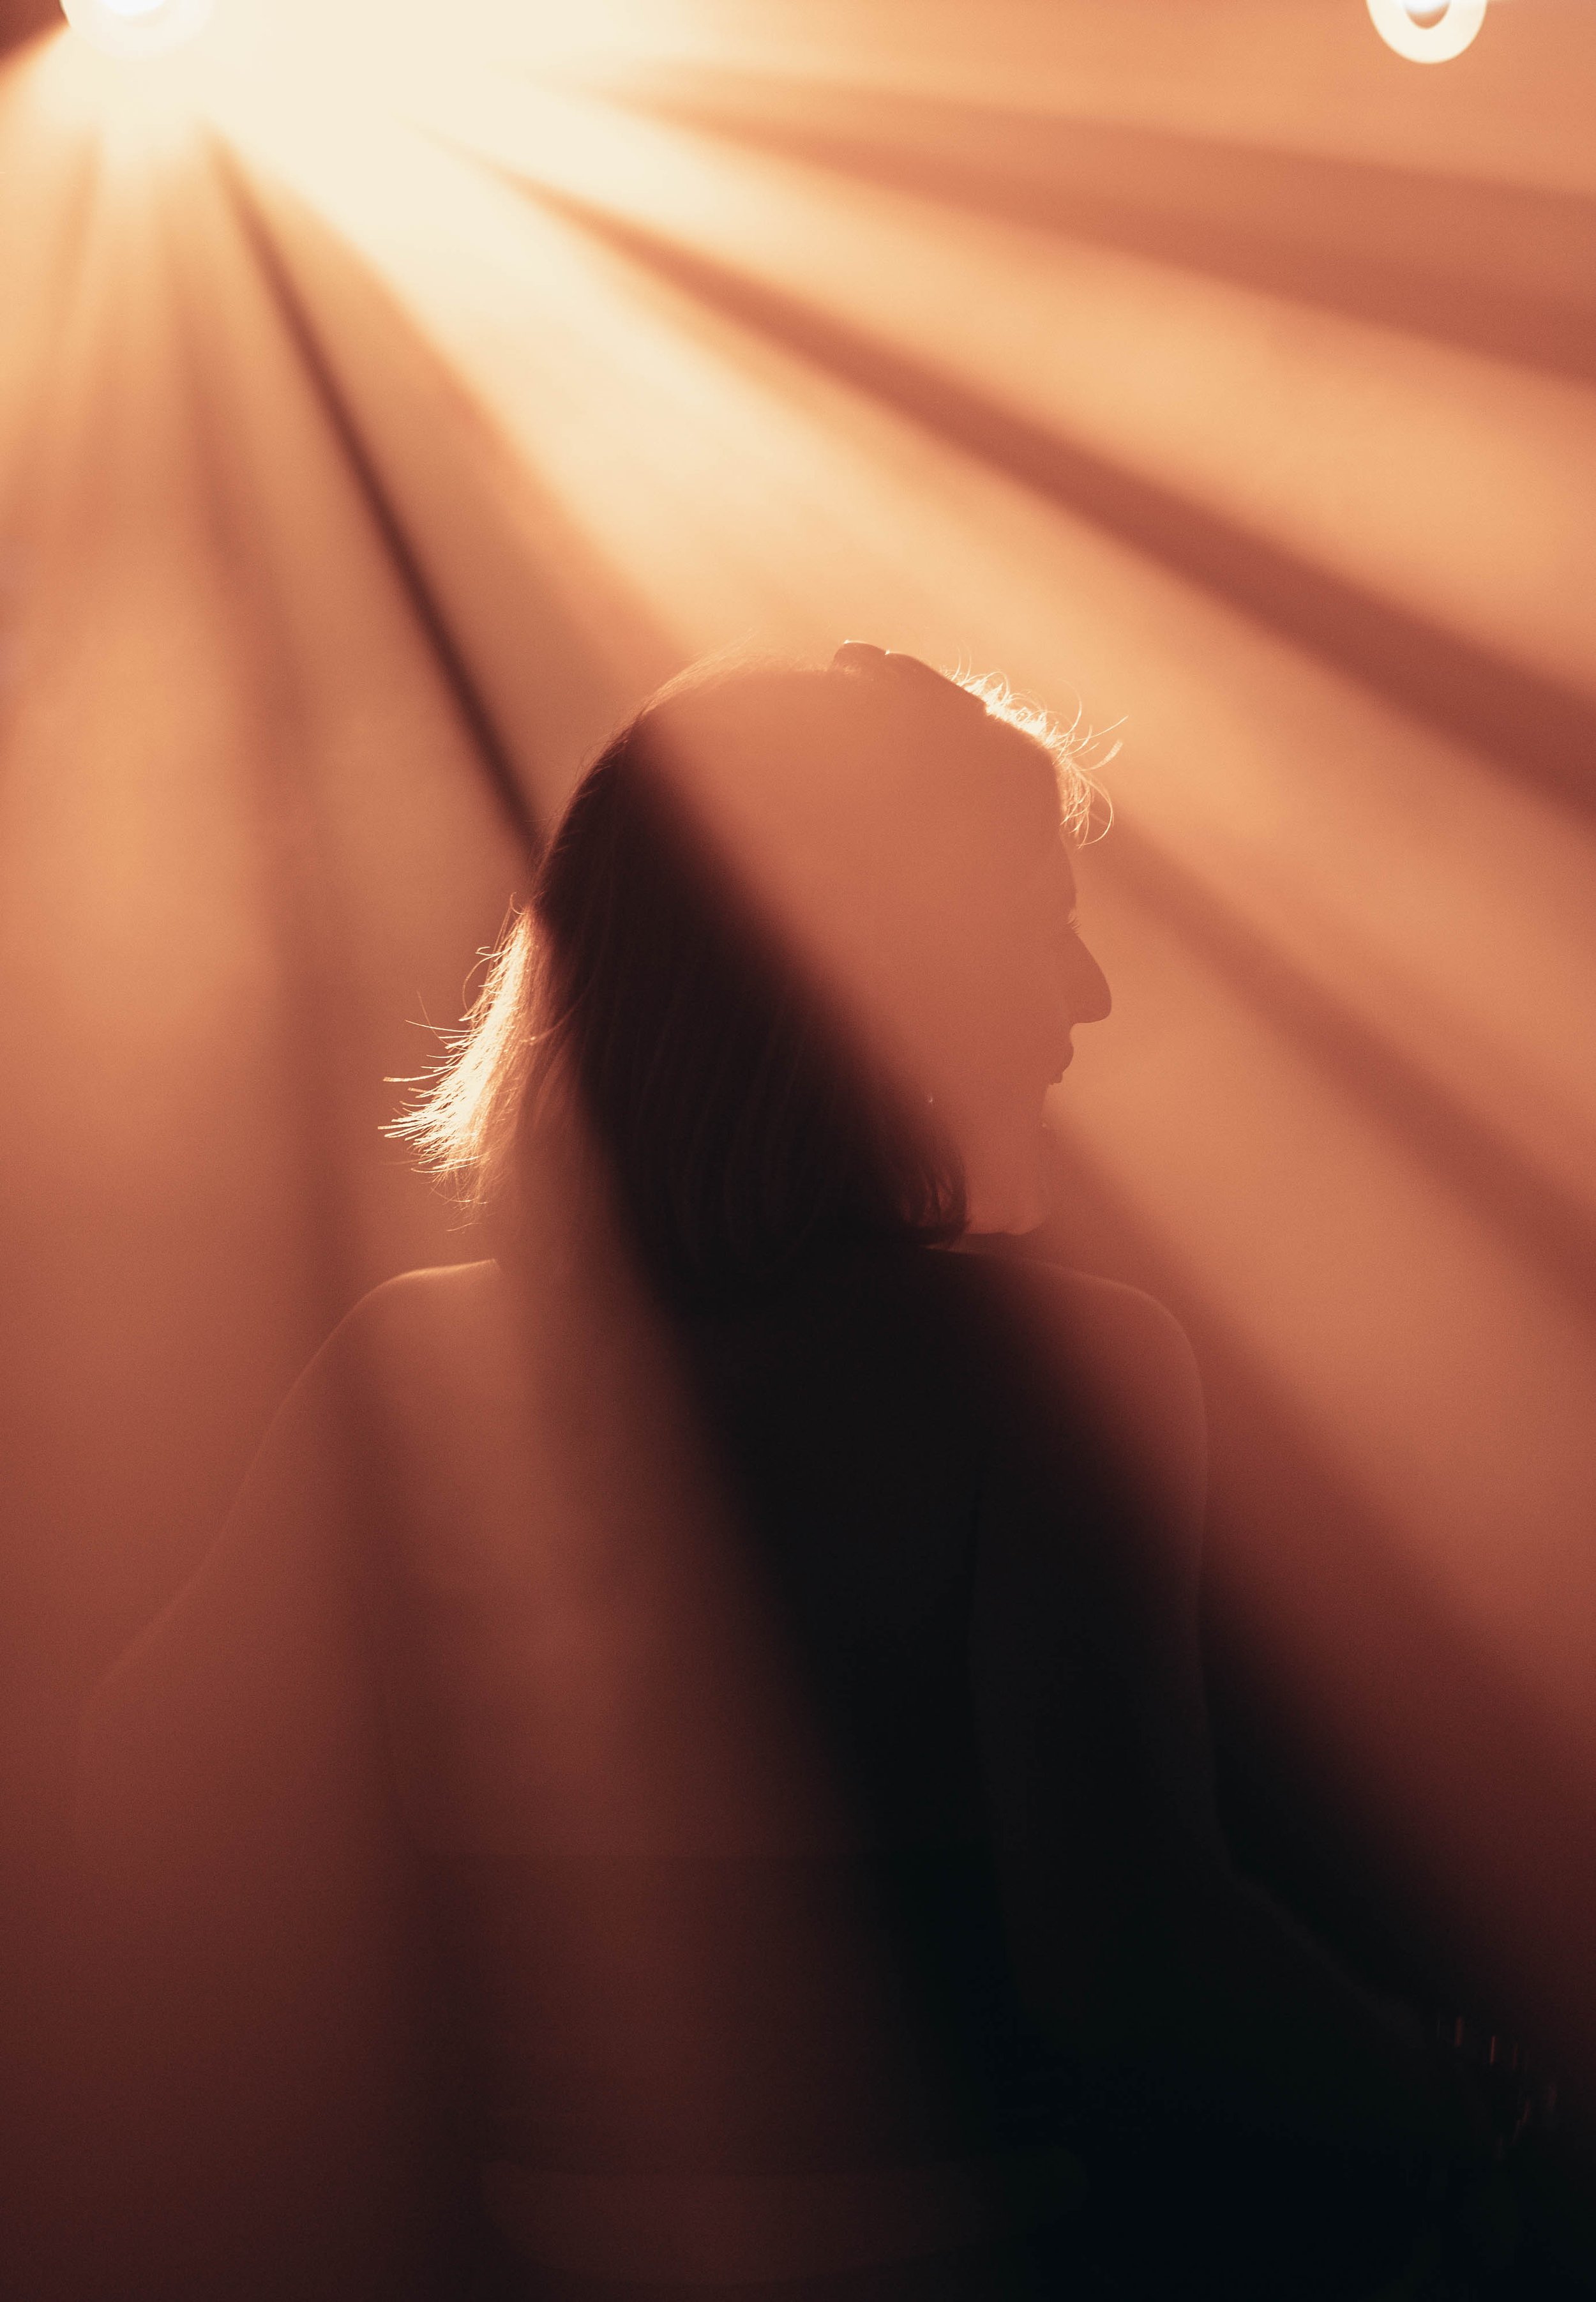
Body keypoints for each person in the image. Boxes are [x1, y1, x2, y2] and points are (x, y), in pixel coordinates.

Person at [78, 646, 1479, 2301]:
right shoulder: (1036, 1370)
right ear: (876, 965)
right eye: (1037, 920)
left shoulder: (410, 1362)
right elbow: (1128, 1958)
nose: (1086, 997)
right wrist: (1470, 2101)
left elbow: (118, 1816)